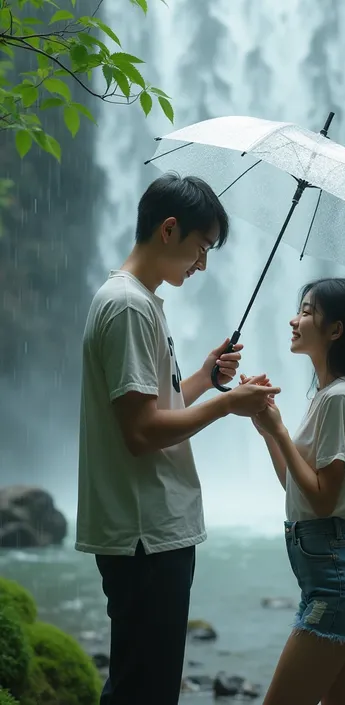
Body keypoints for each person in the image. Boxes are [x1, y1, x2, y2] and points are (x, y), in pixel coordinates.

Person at [75, 172, 280, 705]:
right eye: (201, 247)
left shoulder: (136, 301)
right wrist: (227, 404)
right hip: (146, 532)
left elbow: (152, 408)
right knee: (145, 690)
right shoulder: (128, 306)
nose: (203, 264)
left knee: (139, 683)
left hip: (149, 530)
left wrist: (205, 379)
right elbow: (141, 433)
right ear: (169, 229)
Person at [242, 277, 345, 705]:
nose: (294, 318)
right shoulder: (328, 395)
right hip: (339, 576)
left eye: (307, 311)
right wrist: (268, 429)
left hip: (338, 580)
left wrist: (281, 431)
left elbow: (324, 499)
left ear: (336, 330)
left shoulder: (339, 398)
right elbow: (298, 487)